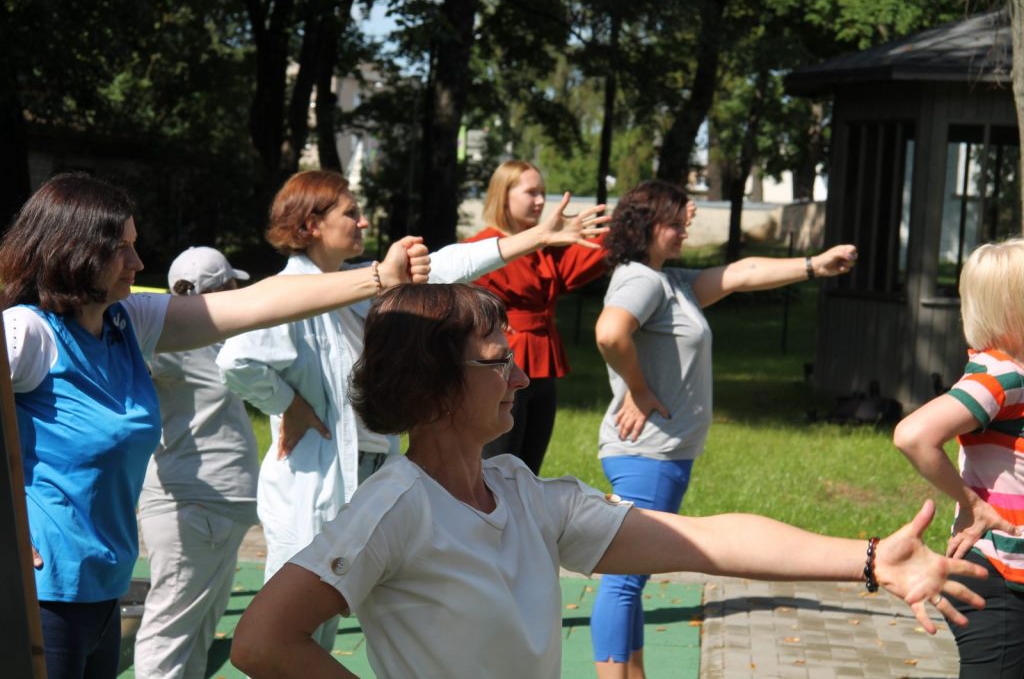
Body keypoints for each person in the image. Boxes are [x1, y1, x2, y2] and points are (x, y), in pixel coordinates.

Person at [229, 283, 986, 679]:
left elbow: (702, 540)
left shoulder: (521, 491)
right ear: (432, 383)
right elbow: (262, 641)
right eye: (498, 360)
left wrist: (869, 558)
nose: (521, 377)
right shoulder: (394, 505)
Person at [0, 172, 429, 679]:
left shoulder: (127, 321)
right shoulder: (28, 332)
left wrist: (380, 277)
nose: (137, 263)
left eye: (135, 245)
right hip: (44, 595)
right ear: (75, 252)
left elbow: (256, 304)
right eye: (121, 249)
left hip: (103, 586)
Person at [215, 169, 608, 651]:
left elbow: (446, 266)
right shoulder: (290, 291)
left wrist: (535, 238)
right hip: (312, 484)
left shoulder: (357, 285)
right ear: (311, 224)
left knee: (348, 625)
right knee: (295, 631)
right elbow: (235, 359)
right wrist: (287, 404)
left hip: (368, 477)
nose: (363, 222)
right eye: (351, 213)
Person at [590, 180, 858, 678]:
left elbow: (741, 273)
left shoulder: (669, 281)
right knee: (625, 578)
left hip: (660, 454)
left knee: (634, 575)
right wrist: (638, 389)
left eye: (683, 222)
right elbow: (609, 333)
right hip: (648, 454)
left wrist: (814, 266)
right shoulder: (642, 281)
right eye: (673, 224)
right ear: (645, 226)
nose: (683, 231)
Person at [893, 238, 1024, 678]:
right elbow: (913, 435)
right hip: (1000, 576)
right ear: (1012, 310)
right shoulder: (1001, 375)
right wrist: (972, 504)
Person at [132, 247, 258, 679]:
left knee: (197, 636)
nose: (238, 291)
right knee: (167, 637)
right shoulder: (167, 344)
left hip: (217, 509)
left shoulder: (216, 342)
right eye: (232, 284)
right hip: (191, 505)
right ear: (220, 289)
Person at [466, 159, 610, 474]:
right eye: (531, 192)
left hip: (542, 363)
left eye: (543, 192)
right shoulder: (479, 250)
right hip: (502, 365)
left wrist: (631, 220)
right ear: (504, 195)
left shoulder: (546, 249)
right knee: (496, 468)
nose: (541, 200)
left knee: (528, 472)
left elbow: (592, 255)